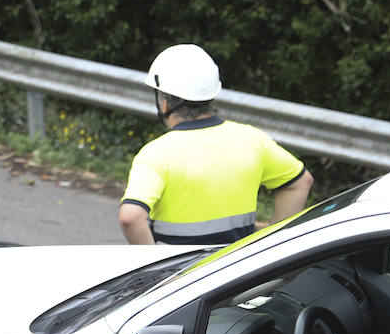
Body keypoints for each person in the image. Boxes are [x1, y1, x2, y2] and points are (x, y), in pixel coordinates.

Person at [119, 43, 314, 246]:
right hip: (238, 269)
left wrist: (154, 269)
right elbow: (301, 182)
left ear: (164, 102)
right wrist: (268, 246)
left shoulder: (155, 154)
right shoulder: (252, 139)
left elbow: (131, 217)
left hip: (181, 274)